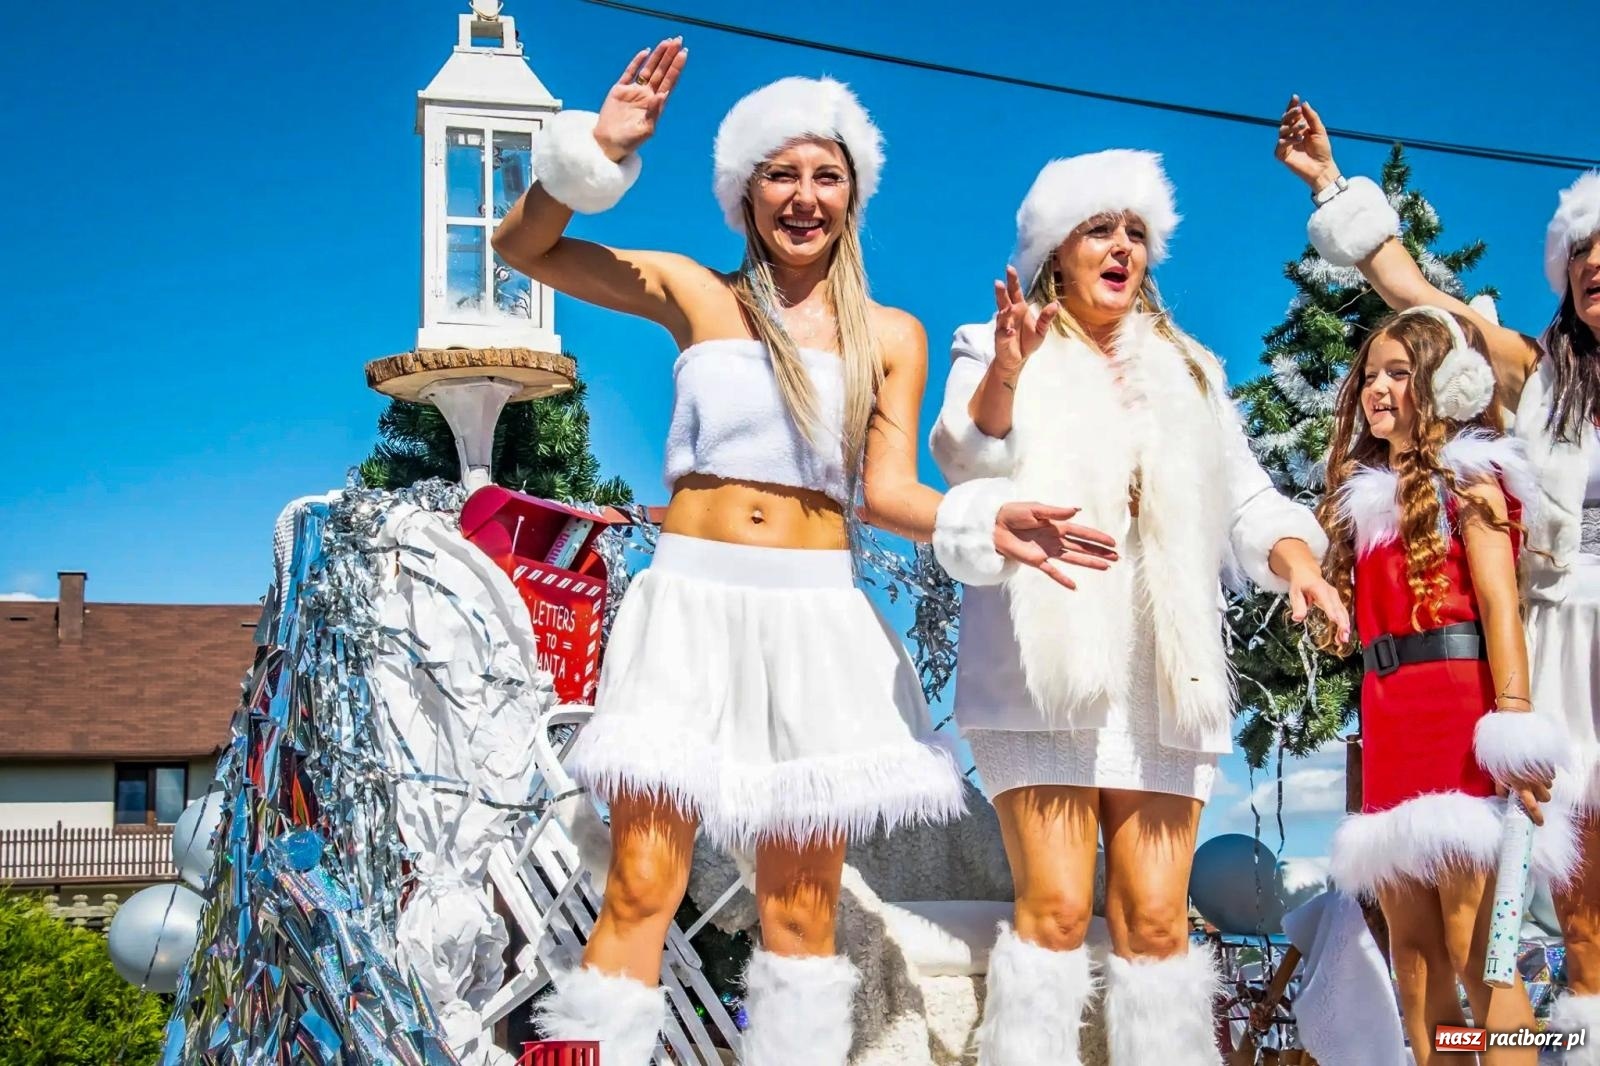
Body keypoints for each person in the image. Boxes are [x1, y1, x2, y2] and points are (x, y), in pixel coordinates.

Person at [491, 40, 1118, 1066]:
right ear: (745, 193)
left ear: (853, 194)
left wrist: (983, 515)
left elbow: (887, 492)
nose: (804, 195)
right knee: (643, 884)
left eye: (826, 175)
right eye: (781, 173)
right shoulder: (695, 292)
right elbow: (527, 248)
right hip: (689, 607)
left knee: (796, 912)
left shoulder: (892, 334)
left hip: (816, 616)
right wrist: (591, 154)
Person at [927, 148, 1346, 1066]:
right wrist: (1005, 369)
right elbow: (963, 460)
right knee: (1058, 910)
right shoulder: (993, 342)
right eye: (1098, 229)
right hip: (1045, 674)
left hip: (1162, 676)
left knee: (1157, 921)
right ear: (1055, 251)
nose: (1121, 247)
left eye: (1134, 233)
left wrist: (1297, 563)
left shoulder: (1192, 370)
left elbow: (1246, 501)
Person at [1276, 95, 1600, 1056]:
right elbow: (1415, 296)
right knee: (1575, 919)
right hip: (1561, 647)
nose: (1598, 274)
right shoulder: (1537, 379)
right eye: (1586, 262)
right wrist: (1333, 186)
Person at [1316, 306, 1570, 1065]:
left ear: (1442, 386)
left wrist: (1515, 727)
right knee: (1415, 957)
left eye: (1399, 373)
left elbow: (1499, 605)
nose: (1378, 389)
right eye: (1371, 375)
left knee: (1478, 950)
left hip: (1461, 721)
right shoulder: (1362, 503)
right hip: (1390, 725)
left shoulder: (1476, 477)